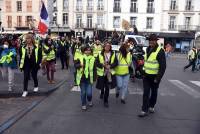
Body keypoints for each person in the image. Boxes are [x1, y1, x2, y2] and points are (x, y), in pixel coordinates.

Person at [138, 34, 166, 117]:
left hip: (155, 77)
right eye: (150, 40)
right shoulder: (147, 49)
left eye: (153, 40)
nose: (151, 42)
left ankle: (151, 106)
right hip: (146, 76)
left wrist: (158, 78)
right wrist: (142, 70)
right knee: (146, 93)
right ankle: (144, 110)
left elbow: (163, 67)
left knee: (154, 93)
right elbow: (147, 61)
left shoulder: (160, 51)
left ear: (156, 41)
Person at [96, 41, 118, 107]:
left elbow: (116, 63)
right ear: (104, 47)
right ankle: (102, 92)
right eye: (106, 46)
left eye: (109, 46)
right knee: (102, 86)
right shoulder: (100, 53)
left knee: (107, 87)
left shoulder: (113, 53)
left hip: (109, 73)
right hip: (102, 73)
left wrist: (110, 66)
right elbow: (96, 62)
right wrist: (102, 64)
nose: (107, 47)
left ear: (110, 47)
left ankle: (106, 101)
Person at [19, 33, 42, 97]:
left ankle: (36, 85)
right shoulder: (23, 47)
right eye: (26, 38)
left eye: (29, 38)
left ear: (32, 39)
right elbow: (21, 56)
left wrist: (39, 63)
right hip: (26, 63)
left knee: (33, 75)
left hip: (34, 63)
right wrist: (20, 65)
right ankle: (25, 90)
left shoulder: (37, 47)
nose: (27, 40)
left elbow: (40, 56)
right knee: (25, 77)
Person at [74, 45, 96, 110]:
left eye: (89, 50)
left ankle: (89, 100)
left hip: (89, 78)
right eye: (86, 50)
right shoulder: (80, 57)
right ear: (84, 51)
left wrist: (95, 78)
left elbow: (94, 69)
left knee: (89, 93)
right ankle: (83, 104)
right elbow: (75, 65)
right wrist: (80, 65)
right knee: (83, 93)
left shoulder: (93, 58)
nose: (88, 51)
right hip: (82, 78)